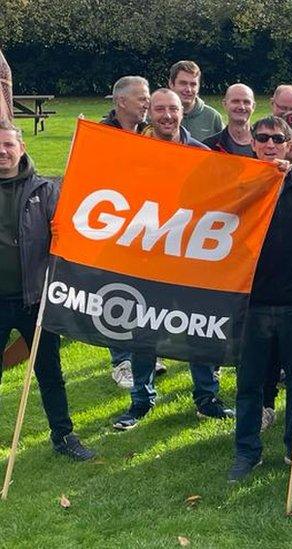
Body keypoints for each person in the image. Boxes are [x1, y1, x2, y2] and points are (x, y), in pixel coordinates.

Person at [112, 89, 234, 430]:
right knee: (143, 332)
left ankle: (207, 398)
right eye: (160, 109)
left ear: (184, 112)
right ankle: (141, 400)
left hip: (191, 259)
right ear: (149, 111)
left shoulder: (202, 153)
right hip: (148, 257)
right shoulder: (135, 152)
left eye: (173, 109)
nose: (167, 115)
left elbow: (219, 201)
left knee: (198, 329)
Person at [228, 115, 292, 482]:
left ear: (288, 144)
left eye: (277, 139)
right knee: (249, 384)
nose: (270, 145)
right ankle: (246, 451)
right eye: (263, 138)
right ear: (252, 143)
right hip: (252, 302)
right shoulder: (237, 182)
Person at [0, 119, 95, 461]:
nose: (3, 151)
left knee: (50, 373)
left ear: (21, 148)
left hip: (35, 300)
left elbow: (68, 239)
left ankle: (63, 436)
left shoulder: (45, 190)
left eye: (9, 145)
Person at [99, 76, 167, 387]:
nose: (147, 103)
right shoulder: (101, 135)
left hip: (147, 225)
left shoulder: (150, 133)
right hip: (114, 226)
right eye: (142, 98)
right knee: (119, 292)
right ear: (121, 102)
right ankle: (121, 361)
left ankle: (147, 353)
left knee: (148, 293)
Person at [167, 60, 223, 141]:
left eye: (193, 84)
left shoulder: (213, 117)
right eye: (183, 83)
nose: (188, 89)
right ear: (171, 84)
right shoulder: (158, 115)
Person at [203, 83, 255, 156]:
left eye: (246, 102)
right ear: (225, 104)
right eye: (235, 101)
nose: (241, 107)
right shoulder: (209, 146)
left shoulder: (266, 144)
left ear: (253, 107)